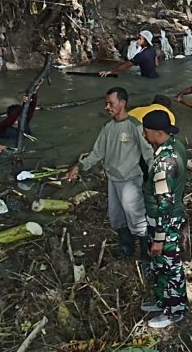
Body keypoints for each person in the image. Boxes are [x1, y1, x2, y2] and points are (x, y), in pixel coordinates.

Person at [64, 87, 154, 259]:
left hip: (130, 180)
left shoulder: (135, 126)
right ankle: (126, 249)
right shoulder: (108, 127)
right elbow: (98, 152)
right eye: (106, 104)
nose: (107, 107)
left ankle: (146, 257)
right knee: (118, 217)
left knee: (138, 220)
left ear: (123, 103)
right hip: (113, 180)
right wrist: (79, 166)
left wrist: (156, 178)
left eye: (111, 103)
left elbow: (148, 153)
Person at [140, 110, 188, 328]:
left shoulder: (163, 164)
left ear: (158, 132)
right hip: (166, 219)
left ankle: (175, 310)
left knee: (170, 265)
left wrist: (159, 238)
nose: (143, 134)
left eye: (146, 131)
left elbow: (164, 204)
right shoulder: (176, 145)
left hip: (165, 222)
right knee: (160, 264)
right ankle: (163, 300)